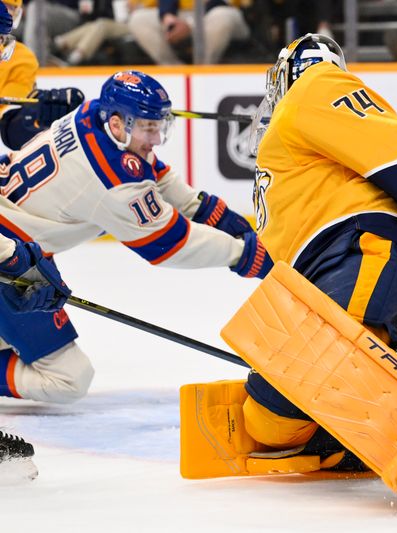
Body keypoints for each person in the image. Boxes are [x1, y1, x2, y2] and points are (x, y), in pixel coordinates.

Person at [181, 34, 397, 516]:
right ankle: (350, 430)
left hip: (365, 255)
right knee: (267, 423)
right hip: (334, 276)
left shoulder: (315, 85)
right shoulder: (293, 141)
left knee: (326, 370)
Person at [0, 69, 270, 405]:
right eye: (148, 128)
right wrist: (243, 254)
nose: (156, 139)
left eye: (159, 126)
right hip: (10, 258)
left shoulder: (93, 114)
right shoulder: (114, 183)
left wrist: (209, 211)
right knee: (69, 378)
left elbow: (152, 172)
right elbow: (170, 244)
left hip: (15, 242)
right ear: (117, 124)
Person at [0, 0, 85, 149]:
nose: (6, 11)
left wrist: (33, 114)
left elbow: (8, 114)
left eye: (11, 8)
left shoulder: (22, 58)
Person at [127, 0, 250, 64]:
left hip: (221, 13)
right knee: (139, 19)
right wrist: (168, 18)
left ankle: (203, 71)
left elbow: (219, 3)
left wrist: (191, 24)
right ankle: (174, 70)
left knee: (221, 16)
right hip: (183, 14)